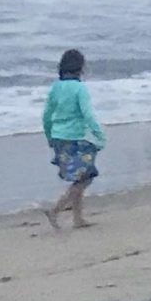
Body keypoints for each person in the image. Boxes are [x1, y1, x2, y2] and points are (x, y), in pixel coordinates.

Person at [41, 48, 106, 230]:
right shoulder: (80, 88)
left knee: (79, 177)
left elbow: (46, 115)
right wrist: (100, 135)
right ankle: (56, 210)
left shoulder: (56, 88)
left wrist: (49, 136)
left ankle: (78, 219)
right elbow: (88, 114)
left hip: (58, 137)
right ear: (80, 68)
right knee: (86, 177)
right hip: (75, 139)